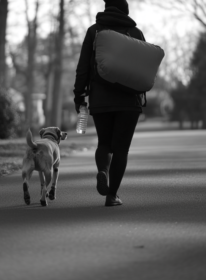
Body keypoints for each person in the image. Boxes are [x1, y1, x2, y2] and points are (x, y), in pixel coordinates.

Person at [73, 0, 146, 206]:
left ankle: (103, 171)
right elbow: (143, 68)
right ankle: (112, 195)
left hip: (101, 99)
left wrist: (79, 95)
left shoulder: (94, 31)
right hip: (129, 100)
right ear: (125, 10)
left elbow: (83, 68)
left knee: (104, 142)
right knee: (121, 149)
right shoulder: (135, 32)